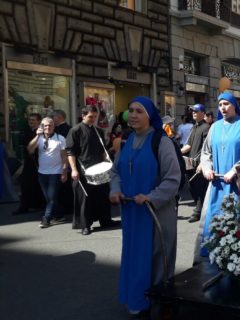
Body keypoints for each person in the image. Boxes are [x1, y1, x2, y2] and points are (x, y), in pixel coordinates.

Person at [109, 96, 180, 317]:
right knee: (134, 255)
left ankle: (156, 304)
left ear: (149, 116)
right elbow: (115, 171)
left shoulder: (162, 141)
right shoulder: (126, 140)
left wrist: (151, 197)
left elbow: (173, 179)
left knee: (157, 259)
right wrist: (115, 189)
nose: (134, 115)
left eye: (139, 111)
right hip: (132, 212)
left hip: (155, 212)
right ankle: (137, 298)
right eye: (131, 111)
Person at [195, 92, 240, 261]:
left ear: (234, 105)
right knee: (214, 218)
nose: (223, 107)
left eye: (226, 104)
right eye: (220, 105)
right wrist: (207, 168)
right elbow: (206, 153)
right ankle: (213, 254)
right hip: (216, 184)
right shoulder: (215, 126)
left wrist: (234, 170)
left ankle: (234, 258)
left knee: (235, 221)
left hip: (236, 184)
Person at [67, 105, 119, 235]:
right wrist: (73, 170)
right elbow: (70, 152)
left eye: (95, 117)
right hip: (83, 170)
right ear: (83, 116)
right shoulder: (75, 131)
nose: (93, 119)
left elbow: (102, 150)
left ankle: (105, 220)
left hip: (99, 168)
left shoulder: (98, 131)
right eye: (90, 117)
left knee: (102, 195)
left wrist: (107, 161)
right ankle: (85, 225)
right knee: (85, 198)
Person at [27, 117, 68, 228]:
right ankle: (59, 214)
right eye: (45, 125)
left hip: (56, 172)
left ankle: (46, 219)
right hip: (42, 172)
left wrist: (64, 171)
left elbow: (64, 156)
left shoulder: (60, 138)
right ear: (42, 127)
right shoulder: (39, 138)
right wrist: (37, 135)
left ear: (54, 126)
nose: (48, 127)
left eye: (50, 125)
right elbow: (30, 149)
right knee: (50, 198)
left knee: (51, 197)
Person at [180, 104, 211, 223]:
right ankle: (201, 209)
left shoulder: (206, 128)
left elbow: (206, 148)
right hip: (190, 163)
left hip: (200, 163)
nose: (193, 113)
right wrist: (176, 152)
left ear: (203, 113)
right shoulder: (194, 127)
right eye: (192, 111)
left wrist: (203, 163)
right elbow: (188, 145)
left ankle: (198, 212)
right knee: (191, 187)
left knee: (199, 188)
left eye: (196, 111)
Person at [13, 113, 45, 215]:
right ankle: (24, 206)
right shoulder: (26, 130)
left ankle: (39, 205)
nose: (31, 122)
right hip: (28, 162)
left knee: (39, 184)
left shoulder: (43, 132)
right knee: (25, 184)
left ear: (39, 121)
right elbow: (23, 144)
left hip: (40, 161)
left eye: (33, 120)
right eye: (29, 120)